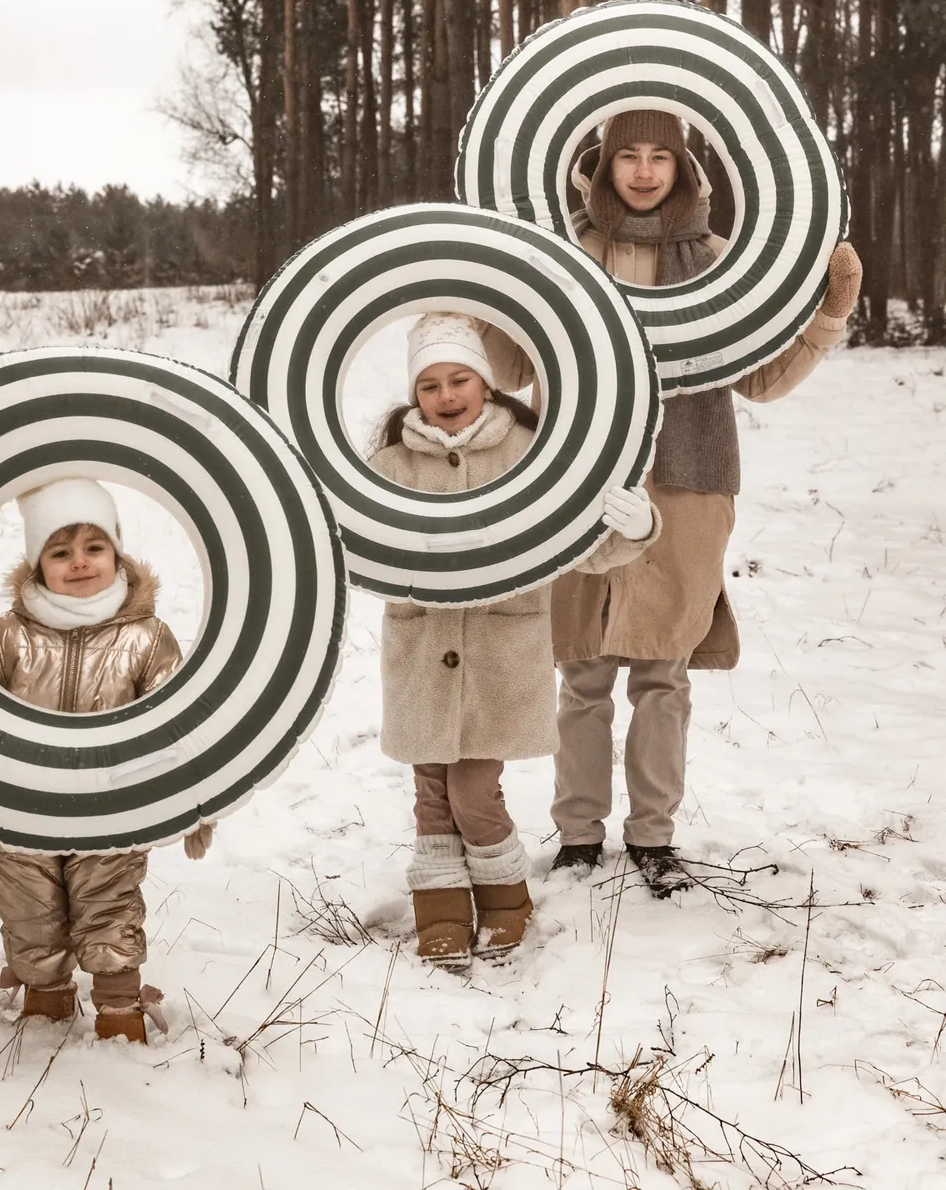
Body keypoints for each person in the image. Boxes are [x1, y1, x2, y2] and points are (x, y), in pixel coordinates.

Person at [485, 109, 863, 899]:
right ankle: (578, 836)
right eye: (628, 155)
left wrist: (828, 314)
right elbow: (511, 368)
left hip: (688, 482)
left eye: (660, 156)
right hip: (581, 479)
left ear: (684, 169)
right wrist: (488, 285)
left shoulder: (720, 262)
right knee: (583, 674)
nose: (643, 171)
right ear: (602, 165)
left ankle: (653, 838)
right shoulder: (564, 252)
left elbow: (760, 378)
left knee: (663, 675)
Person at [366, 312, 662, 967]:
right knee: (431, 795)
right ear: (413, 394)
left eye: (459, 379)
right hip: (420, 657)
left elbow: (583, 547)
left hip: (498, 659)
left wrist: (633, 528)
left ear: (486, 381)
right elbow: (353, 542)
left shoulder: (530, 453)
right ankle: (441, 910)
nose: (446, 396)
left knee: (473, 791)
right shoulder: (389, 465)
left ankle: (504, 898)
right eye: (429, 385)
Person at [0, 478, 215, 1042]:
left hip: (112, 805)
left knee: (109, 904)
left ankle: (119, 1004)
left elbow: (179, 729)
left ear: (117, 552)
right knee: (26, 908)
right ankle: (46, 994)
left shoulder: (147, 637)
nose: (79, 562)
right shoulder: (5, 635)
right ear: (37, 564)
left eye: (94, 547)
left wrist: (195, 806)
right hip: (18, 807)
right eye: (60, 552)